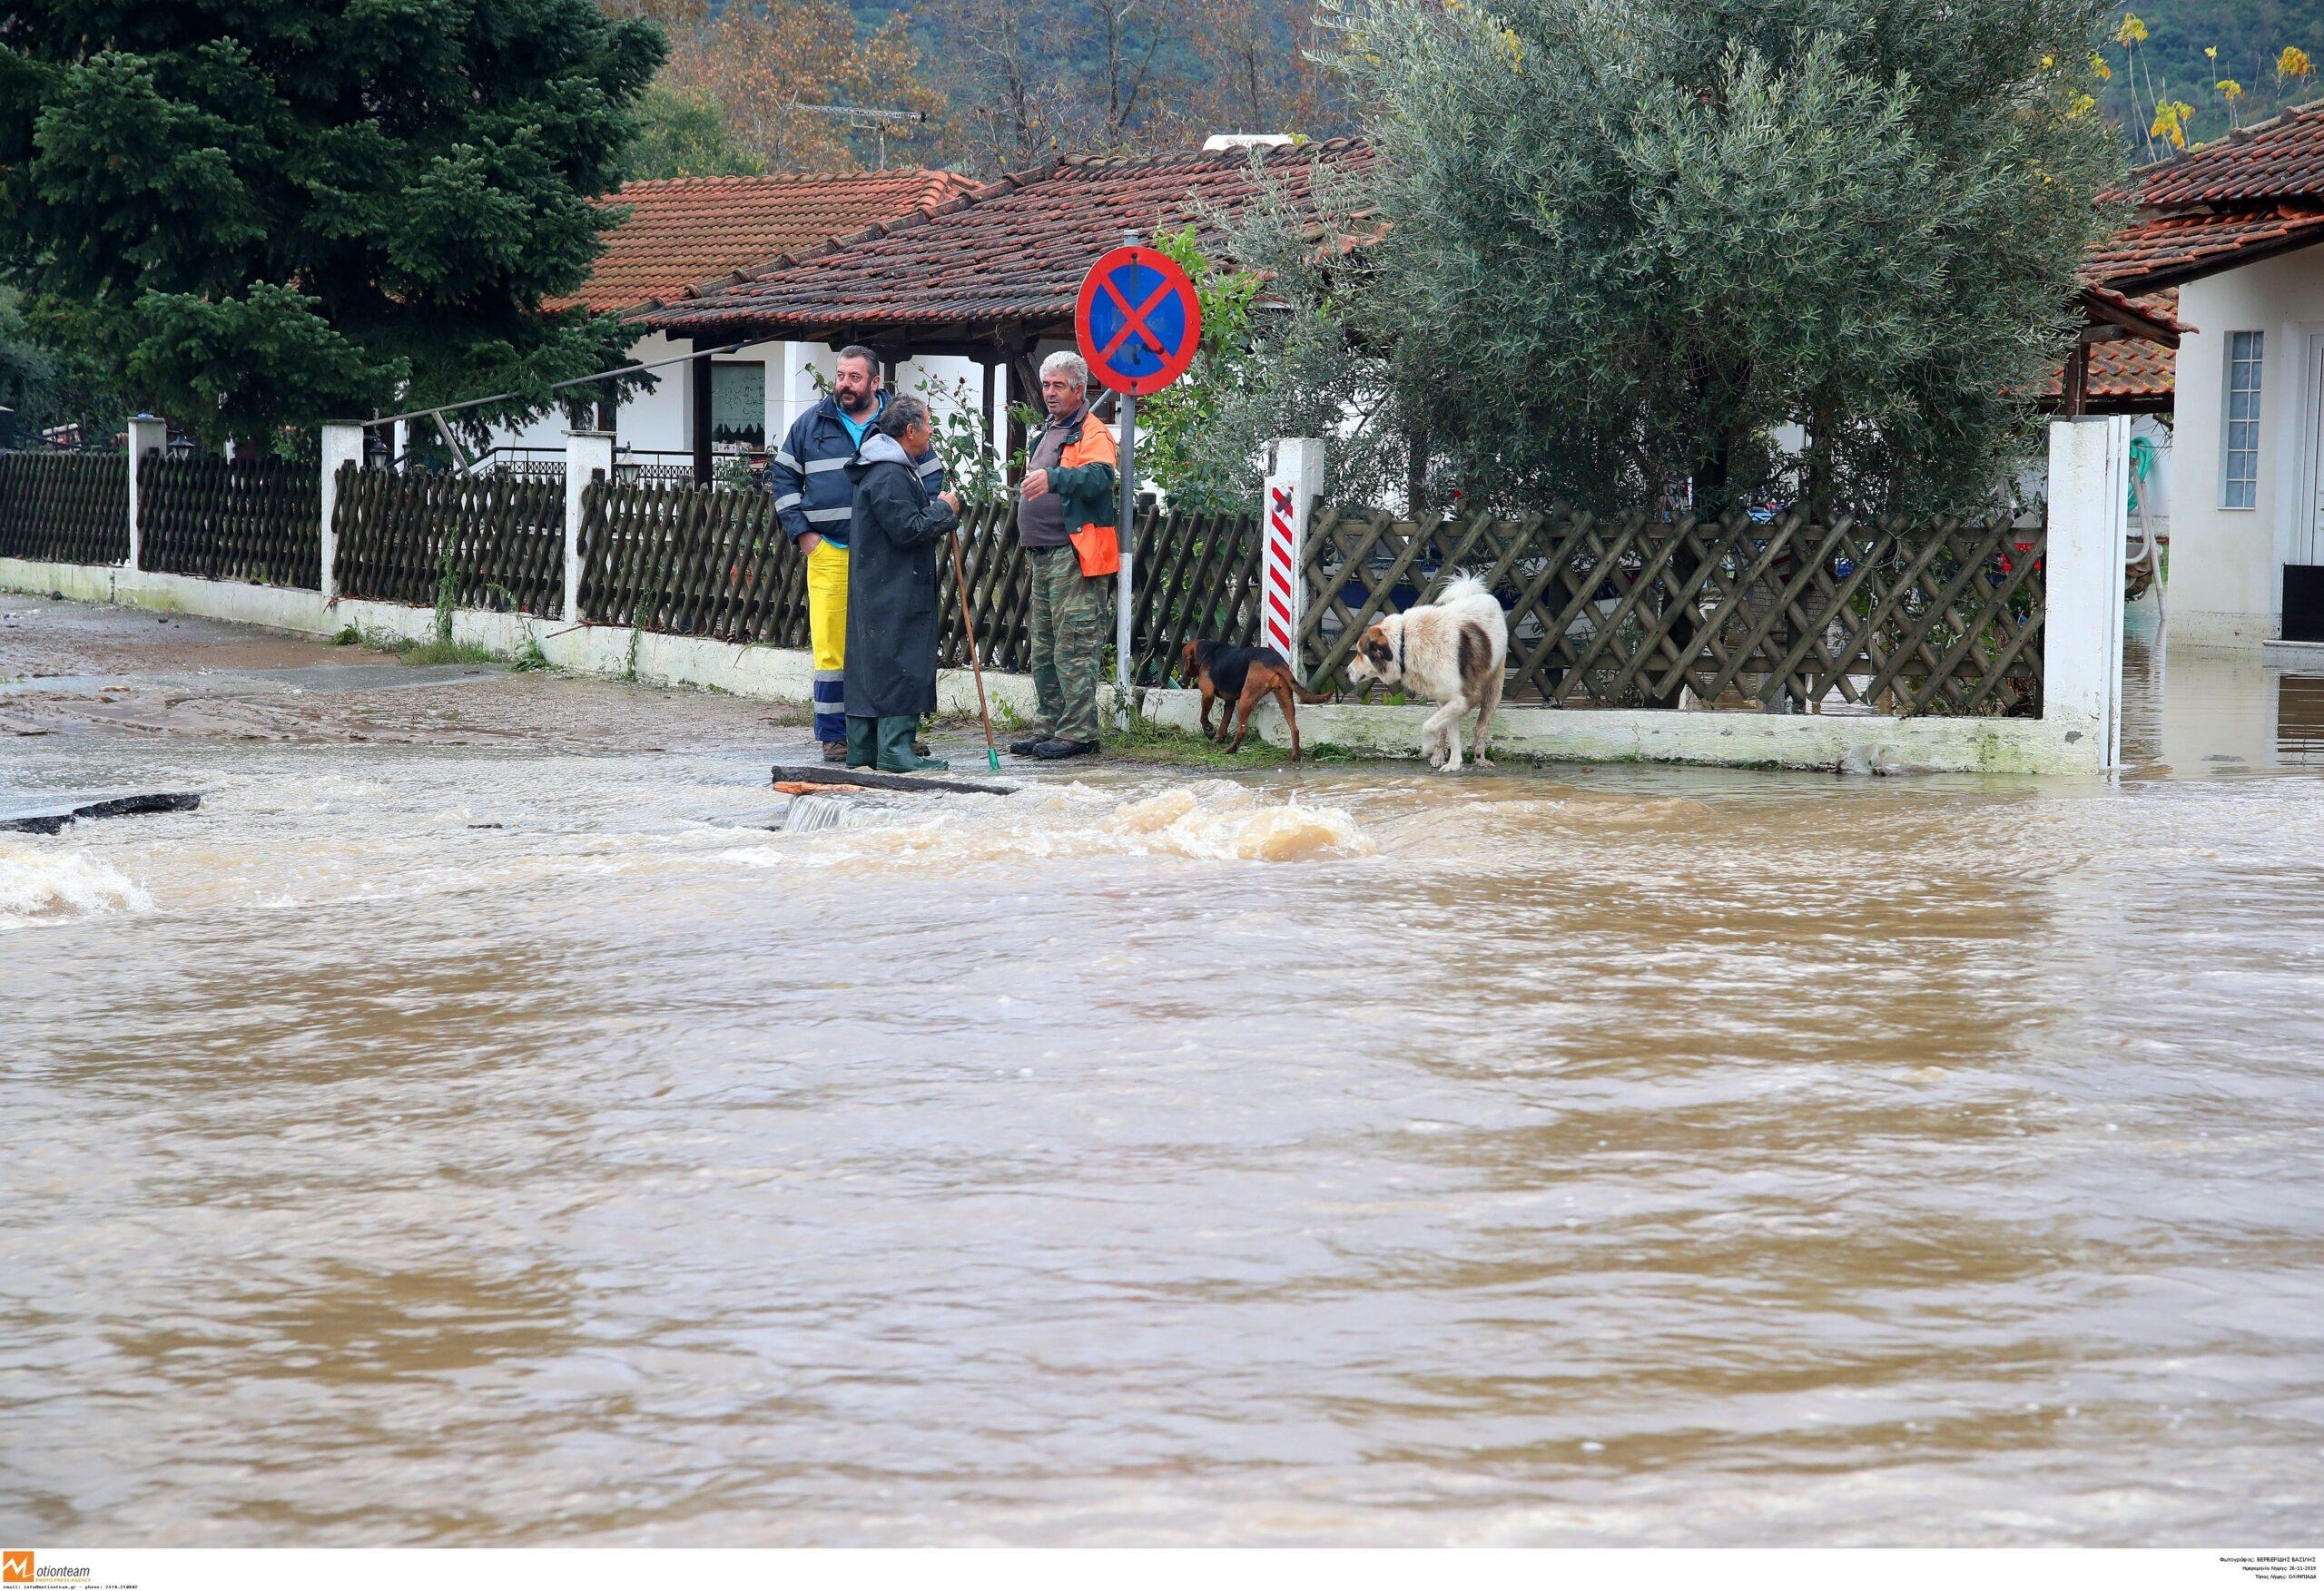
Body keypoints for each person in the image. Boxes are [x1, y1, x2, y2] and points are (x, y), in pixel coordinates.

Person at [769, 345, 946, 762]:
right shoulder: (811, 424)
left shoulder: (897, 422)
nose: (845, 384)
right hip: (832, 549)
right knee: (834, 650)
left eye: (854, 377)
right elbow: (783, 479)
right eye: (841, 376)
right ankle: (836, 735)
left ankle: (888, 738)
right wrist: (802, 534)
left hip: (886, 554)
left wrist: (920, 515)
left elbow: (931, 475)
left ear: (874, 382)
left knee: (888, 644)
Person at [842, 397, 961, 772]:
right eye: (927, 425)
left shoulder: (882, 467)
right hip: (894, 586)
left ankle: (864, 749)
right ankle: (894, 750)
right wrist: (944, 511)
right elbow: (906, 529)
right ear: (909, 431)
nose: (930, 432)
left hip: (880, 582)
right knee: (899, 660)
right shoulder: (890, 473)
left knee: (871, 662)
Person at [1009, 349, 1118, 761]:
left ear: (1079, 388)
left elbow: (1100, 477)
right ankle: (1050, 727)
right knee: (1046, 646)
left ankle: (1079, 732)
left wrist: (1052, 478)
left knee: (1074, 644)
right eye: (1046, 385)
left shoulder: (1092, 431)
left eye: (1058, 385)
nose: (1050, 393)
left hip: (1075, 555)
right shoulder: (1050, 429)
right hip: (1044, 554)